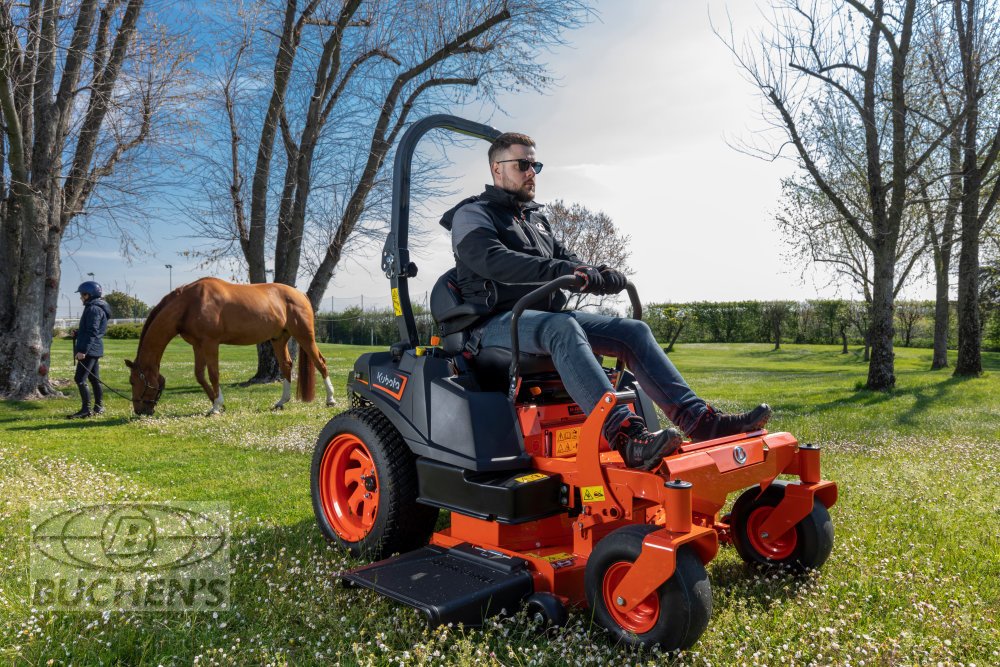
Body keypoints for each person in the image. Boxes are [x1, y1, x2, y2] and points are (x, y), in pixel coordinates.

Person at [441, 132, 771, 471]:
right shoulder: (473, 214)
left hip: (541, 319)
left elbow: (568, 259)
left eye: (535, 164)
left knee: (634, 331)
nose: (532, 172)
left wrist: (599, 274)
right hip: (492, 324)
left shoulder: (536, 220)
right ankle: (626, 436)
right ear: (497, 169)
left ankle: (702, 423)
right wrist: (566, 269)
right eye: (523, 164)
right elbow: (493, 260)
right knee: (563, 326)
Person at [68, 281, 111, 419]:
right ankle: (99, 407)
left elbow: (93, 331)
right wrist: (79, 333)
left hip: (90, 350)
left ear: (89, 295)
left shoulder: (93, 309)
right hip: (94, 348)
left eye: (82, 294)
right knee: (94, 379)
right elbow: (90, 330)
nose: (81, 297)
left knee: (80, 379)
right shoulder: (95, 307)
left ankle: (86, 410)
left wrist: (83, 351)